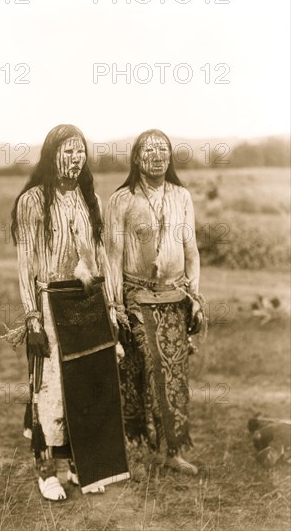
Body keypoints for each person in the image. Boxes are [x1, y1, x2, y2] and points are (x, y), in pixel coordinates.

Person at [9, 124, 129, 501]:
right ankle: (45, 469)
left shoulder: (86, 196)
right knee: (48, 389)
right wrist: (32, 318)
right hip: (49, 303)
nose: (75, 159)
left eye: (80, 152)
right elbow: (25, 262)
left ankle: (70, 464)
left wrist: (110, 306)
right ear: (51, 155)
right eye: (67, 151)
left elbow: (101, 258)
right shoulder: (32, 200)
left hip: (86, 301)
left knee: (82, 386)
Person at [105, 129, 205, 475]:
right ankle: (139, 451)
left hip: (176, 297)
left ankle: (171, 451)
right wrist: (115, 308)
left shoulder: (181, 196)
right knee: (143, 372)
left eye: (163, 149)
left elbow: (191, 252)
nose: (157, 155)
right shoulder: (122, 200)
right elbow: (112, 260)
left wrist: (195, 296)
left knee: (175, 376)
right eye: (149, 150)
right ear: (136, 158)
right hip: (136, 298)